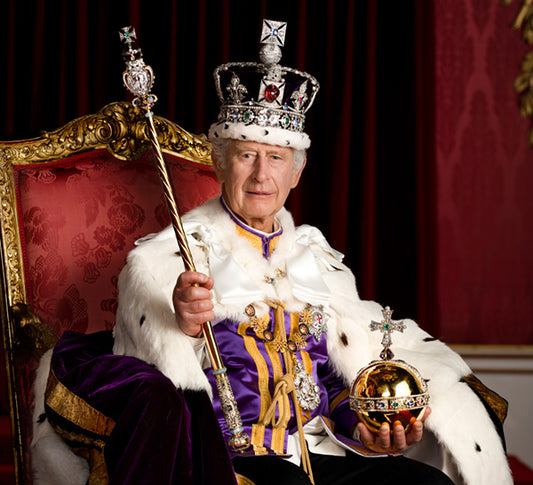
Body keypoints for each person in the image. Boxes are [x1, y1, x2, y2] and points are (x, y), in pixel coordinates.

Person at [32, 20, 511, 485]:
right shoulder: (164, 262)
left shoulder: (318, 261)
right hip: (229, 459)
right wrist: (179, 322)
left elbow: (330, 381)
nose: (262, 175)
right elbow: (149, 392)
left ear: (296, 173)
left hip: (316, 450)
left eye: (276, 157)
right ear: (221, 164)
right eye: (246, 155)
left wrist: (364, 427)